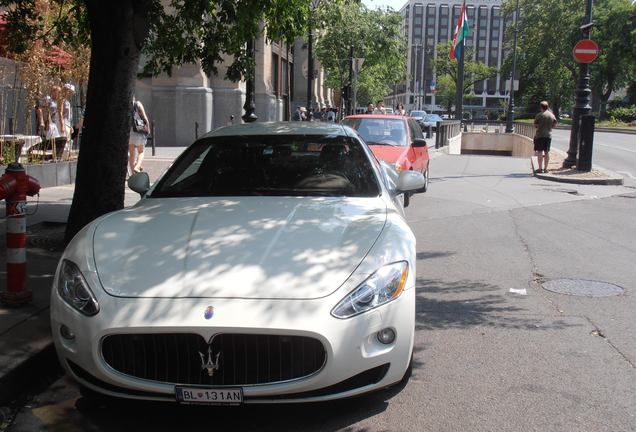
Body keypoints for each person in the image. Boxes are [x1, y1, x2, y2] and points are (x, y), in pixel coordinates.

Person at [533, 100, 557, 174]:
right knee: (547, 152)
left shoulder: (539, 115)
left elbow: (535, 125)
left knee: (540, 151)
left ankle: (540, 168)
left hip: (540, 135)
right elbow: (555, 125)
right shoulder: (552, 115)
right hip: (548, 135)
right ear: (547, 107)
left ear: (541, 107)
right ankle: (546, 169)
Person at [129, 96, 150, 174]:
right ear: (133, 97)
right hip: (139, 131)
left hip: (130, 132)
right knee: (141, 152)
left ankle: (133, 174)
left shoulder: (125, 105)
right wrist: (148, 128)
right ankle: (137, 166)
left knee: (131, 155)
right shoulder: (137, 104)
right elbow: (144, 117)